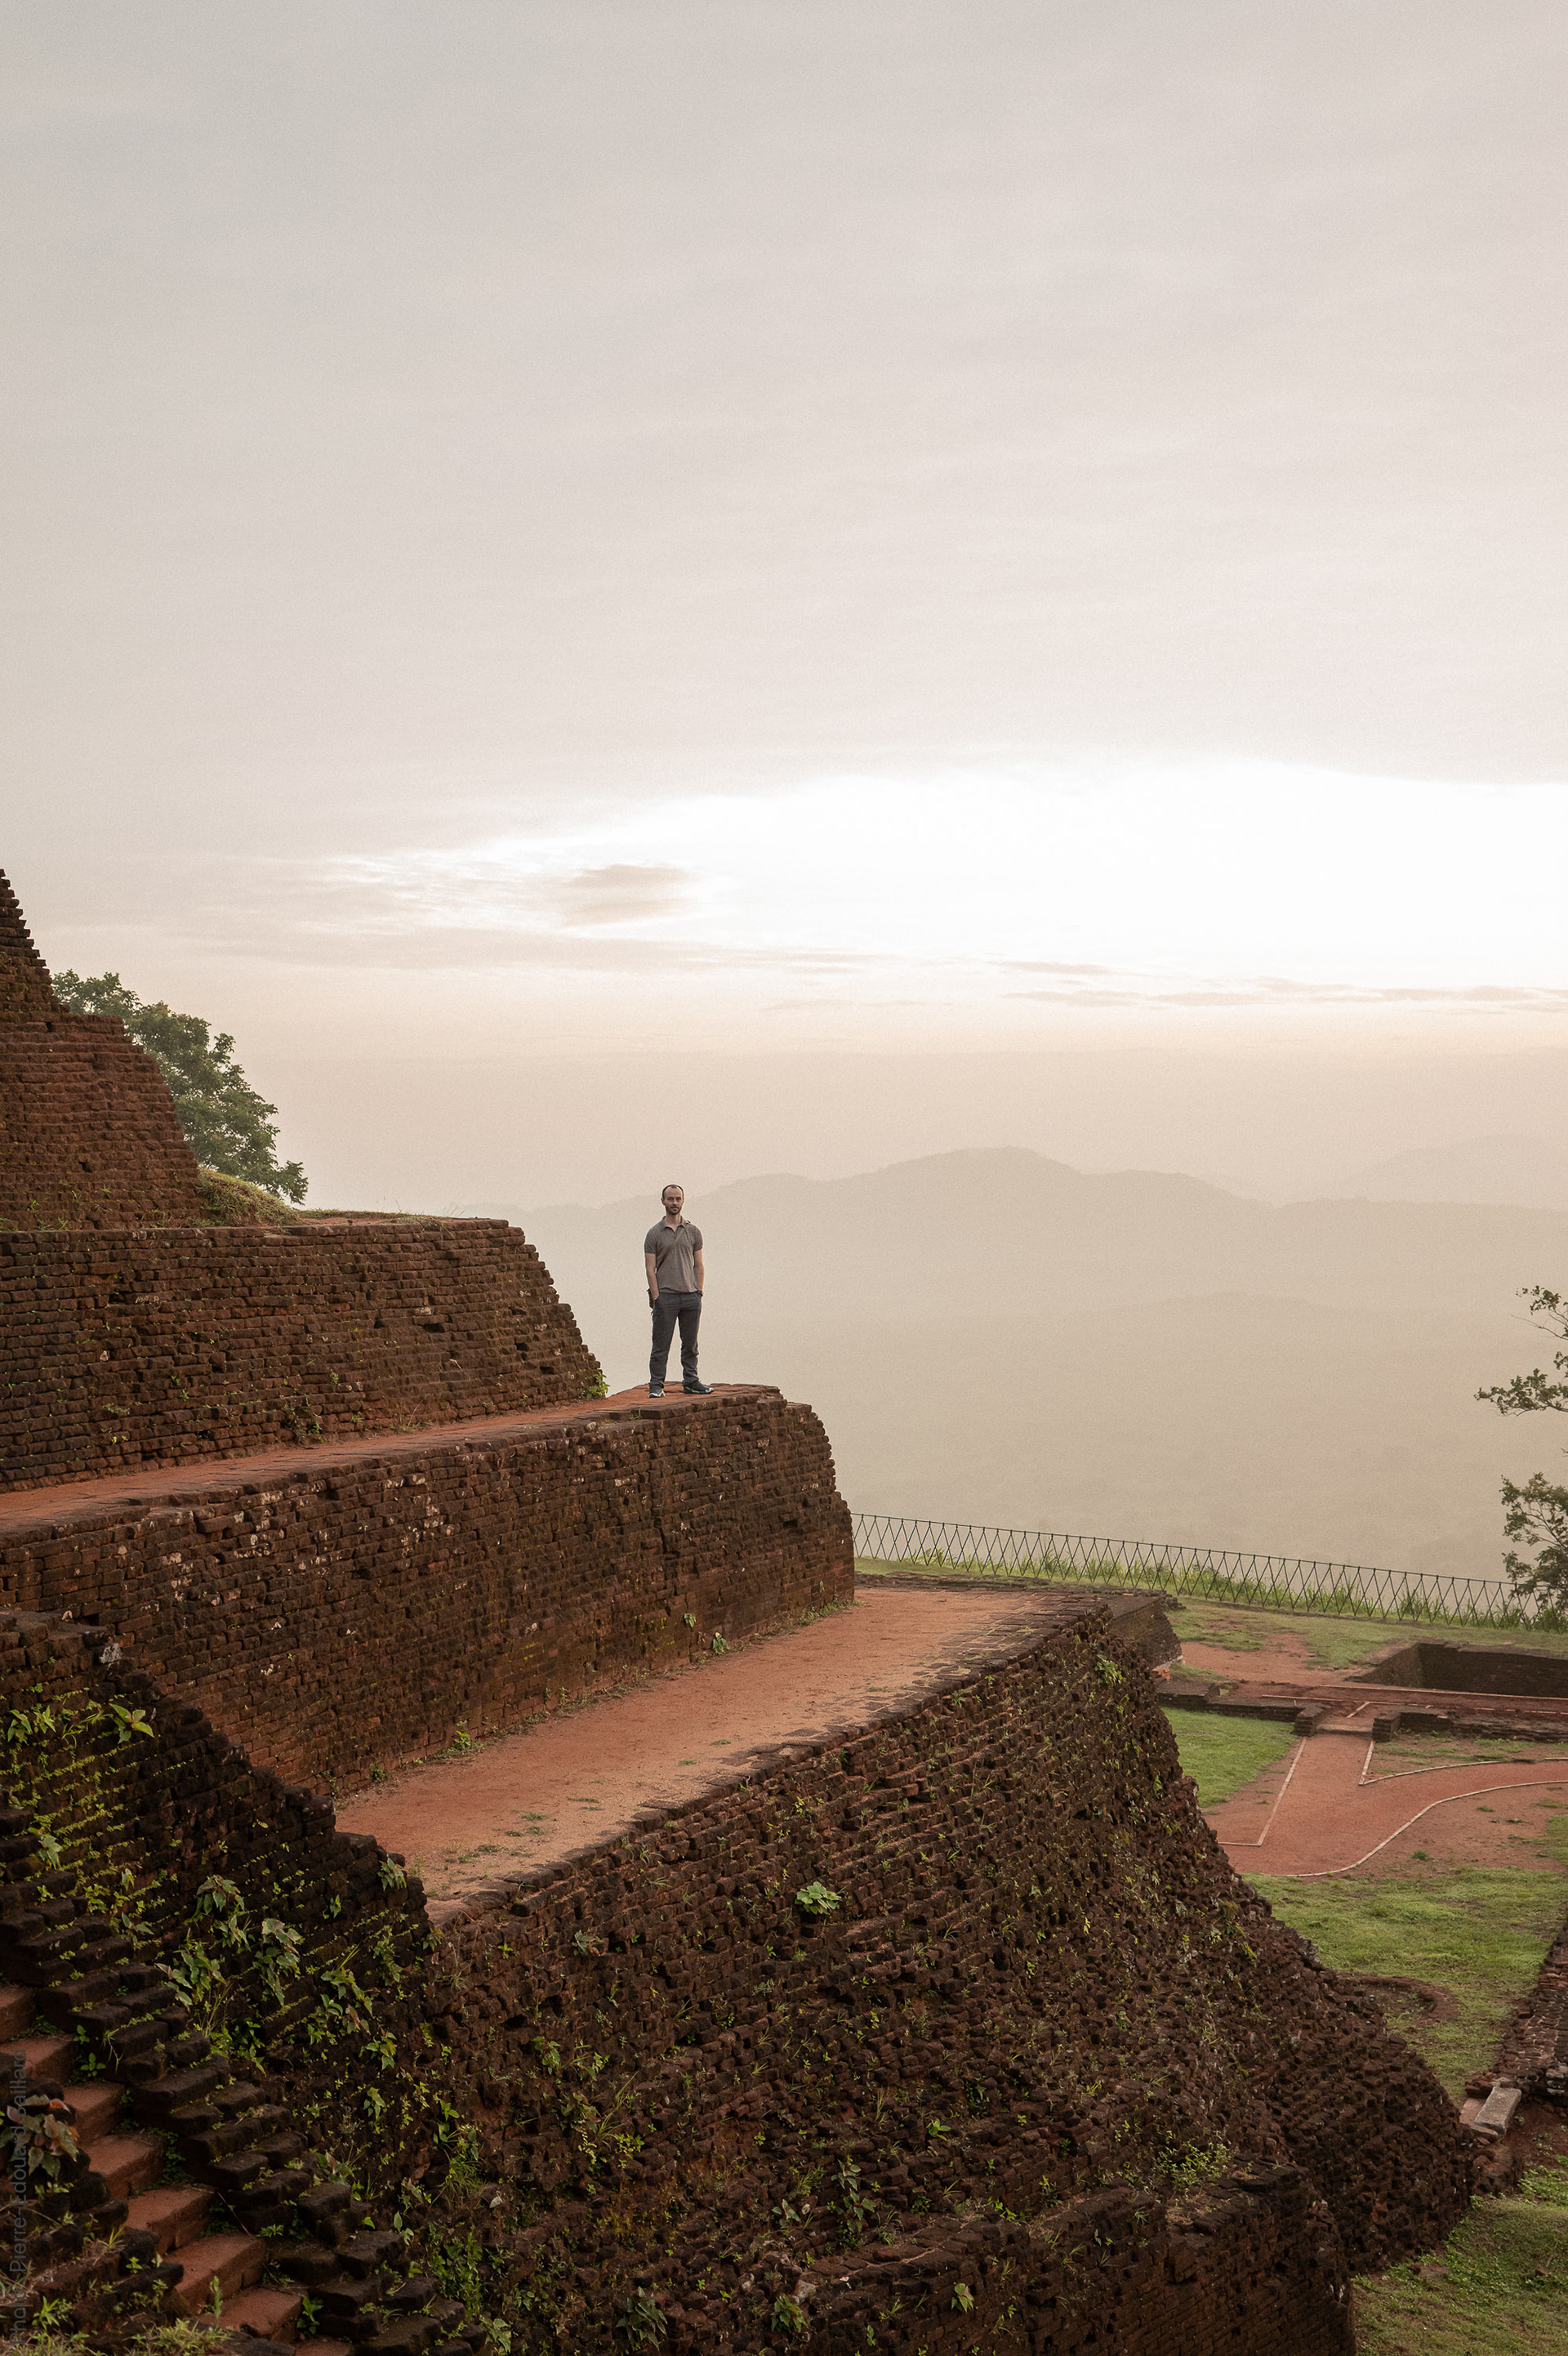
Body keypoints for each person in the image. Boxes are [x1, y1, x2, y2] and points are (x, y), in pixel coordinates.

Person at [644, 1182, 712, 1399]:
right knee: (661, 1345)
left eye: (678, 1199)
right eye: (671, 1199)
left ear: (683, 1201)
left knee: (690, 1344)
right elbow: (650, 1269)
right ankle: (656, 1385)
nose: (674, 1202)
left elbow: (699, 1265)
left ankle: (691, 1381)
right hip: (666, 1296)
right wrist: (657, 1297)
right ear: (663, 1201)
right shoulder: (654, 1233)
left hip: (691, 1296)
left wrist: (698, 1292)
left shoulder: (693, 1232)